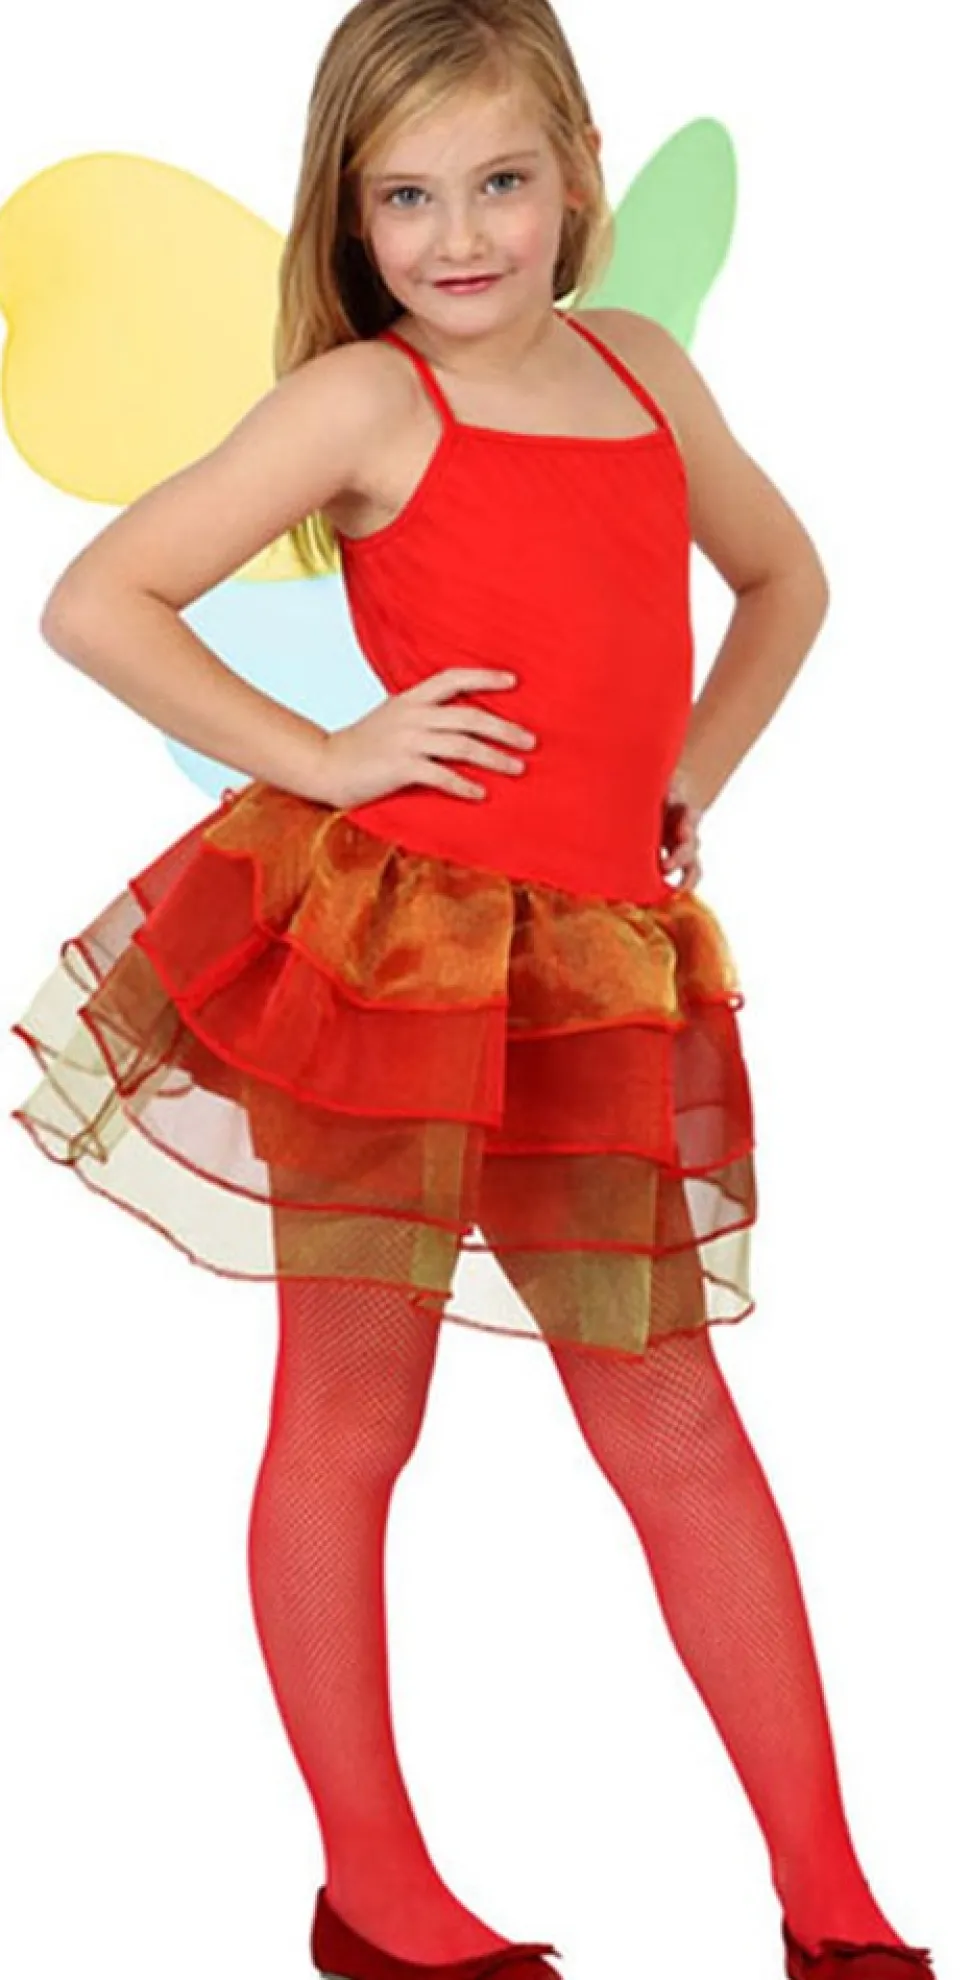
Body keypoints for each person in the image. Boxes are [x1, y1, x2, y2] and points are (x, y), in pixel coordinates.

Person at [9, 3, 936, 1977]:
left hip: (587, 967)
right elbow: (98, 599)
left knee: (673, 1417)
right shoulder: (363, 400)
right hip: (396, 958)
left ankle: (830, 1899)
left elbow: (783, 580)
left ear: (574, 174)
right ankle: (372, 1887)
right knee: (353, 1410)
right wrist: (327, 756)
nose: (460, 237)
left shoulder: (643, 370)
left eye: (500, 182)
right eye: (407, 198)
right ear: (350, 219)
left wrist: (686, 773)